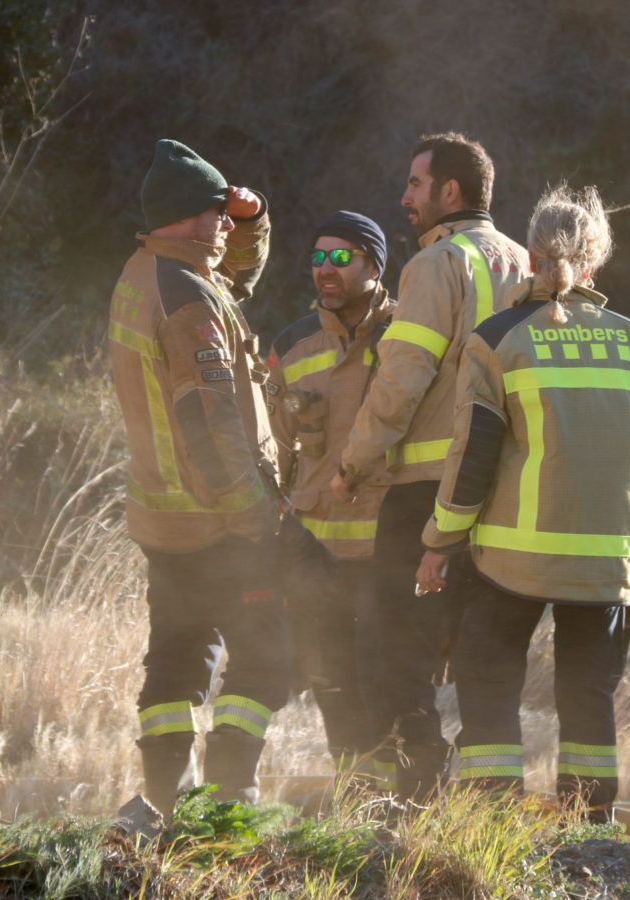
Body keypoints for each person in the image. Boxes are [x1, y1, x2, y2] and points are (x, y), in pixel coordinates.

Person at [414, 184, 630, 822]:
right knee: (588, 694)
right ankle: (589, 831)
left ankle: (490, 820)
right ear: (596, 262)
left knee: (487, 679)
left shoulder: (498, 339)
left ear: (529, 256)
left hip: (511, 560)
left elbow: (473, 455)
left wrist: (439, 542)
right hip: (606, 566)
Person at [329, 132, 530, 802]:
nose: (404, 197)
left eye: (415, 184)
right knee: (482, 657)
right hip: (508, 499)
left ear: (450, 192)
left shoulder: (439, 264)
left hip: (426, 495)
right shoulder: (529, 267)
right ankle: (486, 809)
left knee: (392, 647)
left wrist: (352, 462)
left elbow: (401, 378)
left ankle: (412, 798)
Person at [107, 139, 289, 817]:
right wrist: (251, 516)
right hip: (217, 519)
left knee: (179, 657)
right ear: (190, 216)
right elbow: (208, 423)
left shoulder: (149, 272)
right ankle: (230, 798)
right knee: (269, 655)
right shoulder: (187, 301)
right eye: (217, 211)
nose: (223, 222)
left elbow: (230, 280)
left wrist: (252, 223)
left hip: (165, 519)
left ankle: (161, 803)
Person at [266, 211, 396, 787]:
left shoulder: (408, 339)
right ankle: (357, 804)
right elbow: (273, 449)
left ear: (373, 266)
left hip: (387, 552)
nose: (326, 269)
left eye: (341, 258)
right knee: (332, 684)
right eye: (318, 257)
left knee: (387, 683)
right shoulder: (291, 346)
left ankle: (397, 808)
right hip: (315, 554)